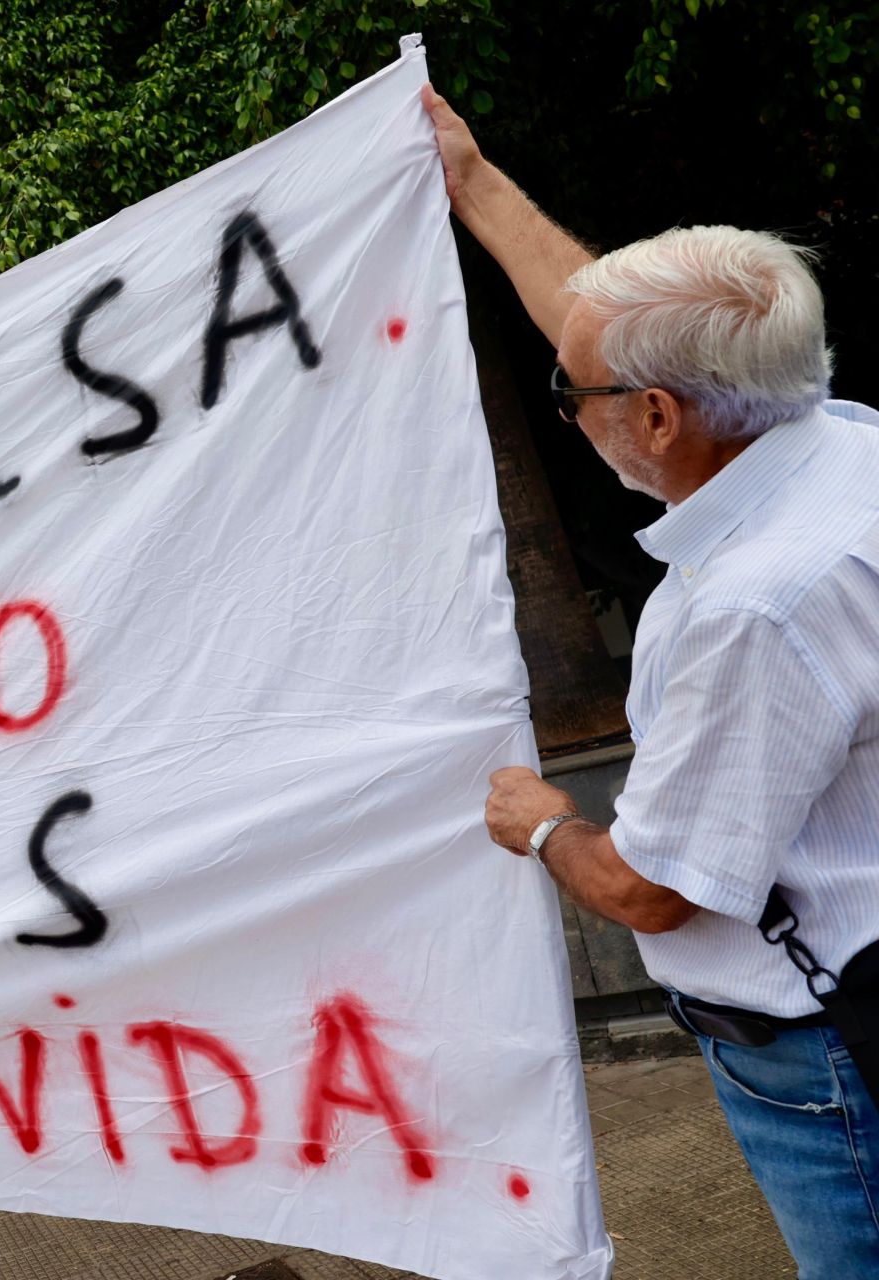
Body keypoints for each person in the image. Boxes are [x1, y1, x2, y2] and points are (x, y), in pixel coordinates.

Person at [425, 86, 879, 1276]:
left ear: (661, 416)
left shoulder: (756, 608)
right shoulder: (838, 440)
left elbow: (654, 890)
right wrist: (469, 180)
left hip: (822, 1061)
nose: (566, 402)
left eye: (571, 392)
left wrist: (543, 825)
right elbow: (596, 320)